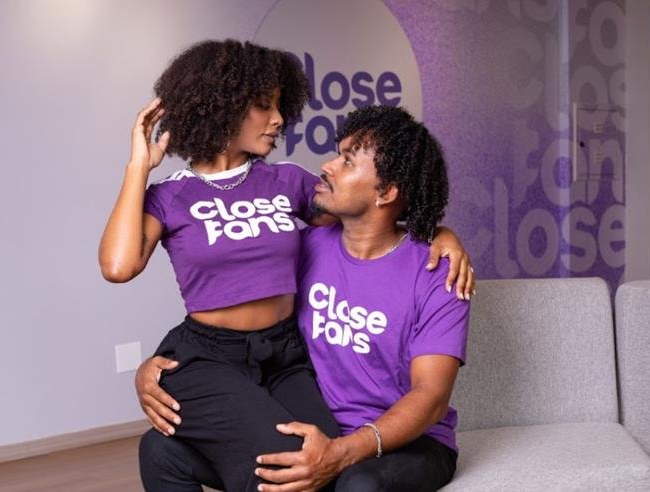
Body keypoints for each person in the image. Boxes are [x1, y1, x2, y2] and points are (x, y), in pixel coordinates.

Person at [98, 39, 473, 492]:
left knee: (324, 461)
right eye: (263, 105)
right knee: (287, 463)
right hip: (208, 352)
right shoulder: (171, 195)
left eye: (279, 106)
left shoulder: (287, 181)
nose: (278, 119)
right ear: (222, 107)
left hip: (283, 355)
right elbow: (118, 266)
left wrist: (440, 234)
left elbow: (373, 213)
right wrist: (138, 167)